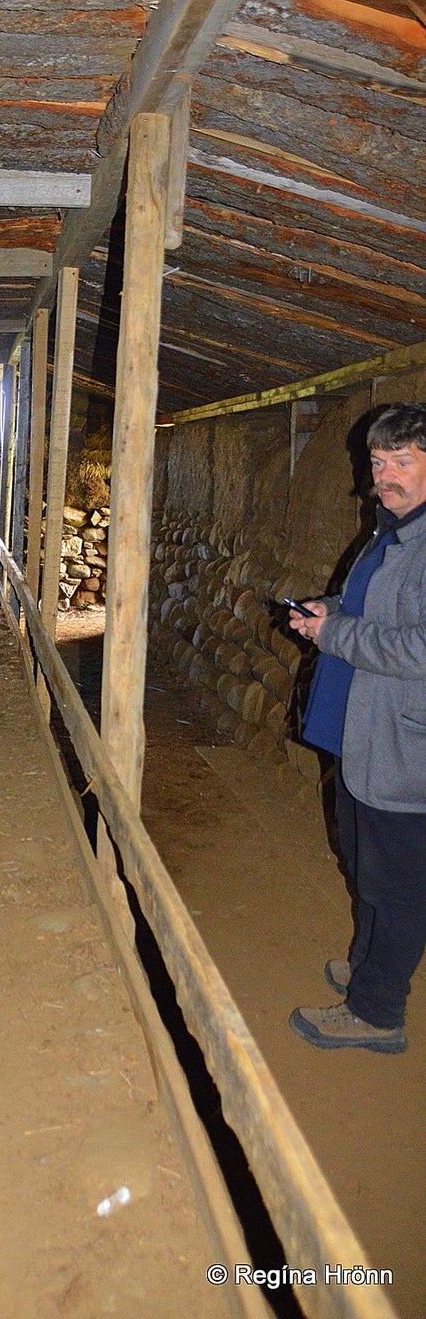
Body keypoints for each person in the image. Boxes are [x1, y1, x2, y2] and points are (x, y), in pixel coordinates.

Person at [288, 401, 426, 1054]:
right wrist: (329, 607)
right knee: (366, 867)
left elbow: (420, 647)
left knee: (396, 885)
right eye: (378, 461)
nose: (385, 474)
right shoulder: (393, 527)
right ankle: (371, 964)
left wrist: (333, 633)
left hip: (404, 749)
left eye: (402, 460)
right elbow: (373, 607)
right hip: (364, 733)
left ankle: (376, 1013)